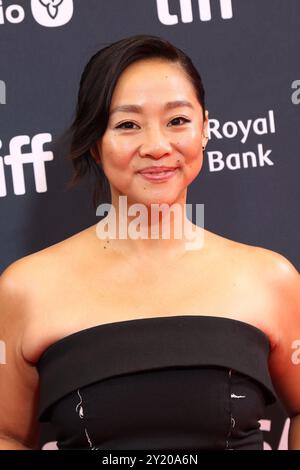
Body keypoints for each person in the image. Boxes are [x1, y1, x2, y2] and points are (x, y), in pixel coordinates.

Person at [0, 34, 299, 451]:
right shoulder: (26, 288)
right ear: (94, 144)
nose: (157, 147)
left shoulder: (271, 278)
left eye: (177, 121)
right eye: (127, 125)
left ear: (205, 130)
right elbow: (7, 434)